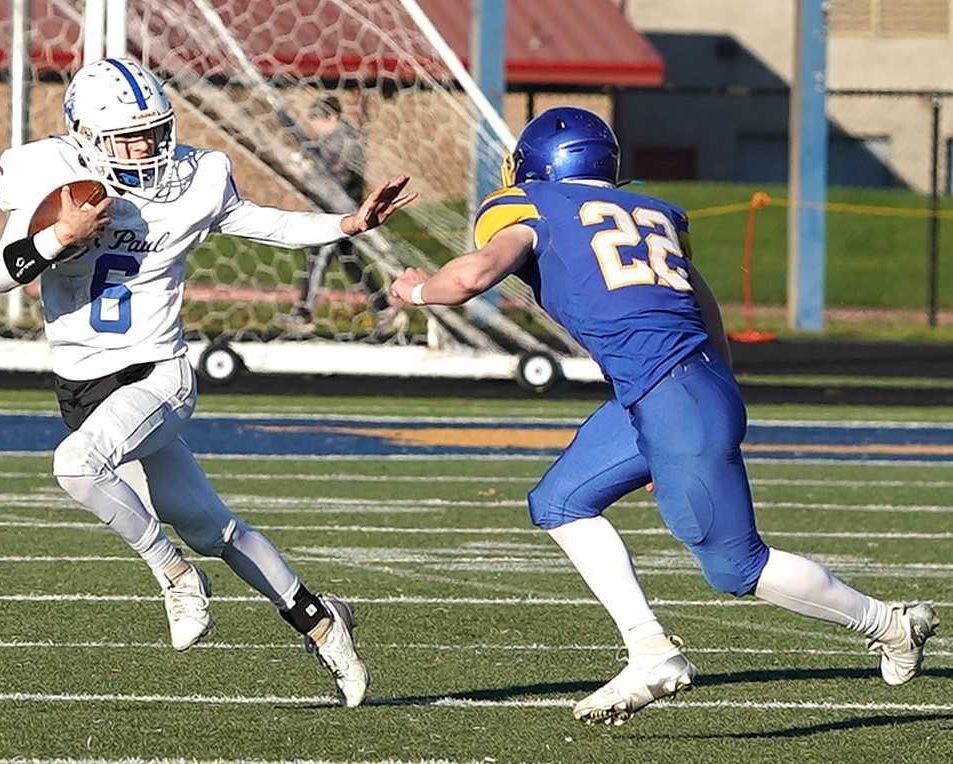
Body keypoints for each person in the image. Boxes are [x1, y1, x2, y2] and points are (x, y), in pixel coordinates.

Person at [389, 107, 938, 726]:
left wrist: (414, 289)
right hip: (677, 391)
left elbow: (473, 276)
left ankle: (890, 624)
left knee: (736, 568)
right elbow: (705, 307)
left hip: (670, 397)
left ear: (541, 164)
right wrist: (679, 422)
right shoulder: (655, 213)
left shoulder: (531, 207)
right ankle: (648, 647)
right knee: (560, 502)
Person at [0, 58, 415, 707]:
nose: (150, 149)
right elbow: (2, 273)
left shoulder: (198, 177)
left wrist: (345, 225)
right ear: (85, 136)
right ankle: (322, 620)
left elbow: (261, 222)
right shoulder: (48, 172)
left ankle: (175, 577)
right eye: (131, 137)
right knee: (213, 527)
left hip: (158, 372)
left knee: (76, 466)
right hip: (82, 387)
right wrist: (57, 237)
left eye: (156, 132)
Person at [289, 95, 397, 334]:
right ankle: (383, 308)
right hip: (339, 210)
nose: (314, 125)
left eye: (317, 119)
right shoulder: (335, 138)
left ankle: (303, 314)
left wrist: (306, 172)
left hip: (337, 212)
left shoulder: (343, 139)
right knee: (350, 262)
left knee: (318, 257)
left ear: (332, 117)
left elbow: (340, 177)